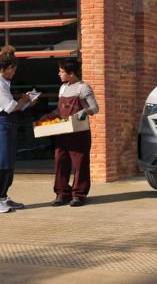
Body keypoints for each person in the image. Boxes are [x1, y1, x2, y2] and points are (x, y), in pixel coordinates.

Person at [40, 58, 98, 207]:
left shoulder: (84, 88)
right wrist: (50, 115)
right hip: (62, 132)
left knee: (80, 164)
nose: (59, 74)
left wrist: (85, 112)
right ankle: (62, 193)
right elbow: (60, 110)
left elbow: (95, 108)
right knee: (60, 162)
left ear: (71, 73)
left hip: (79, 133)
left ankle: (79, 194)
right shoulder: (63, 88)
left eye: (61, 71)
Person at [0, 45, 35, 213]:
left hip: (7, 122)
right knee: (2, 162)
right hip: (2, 123)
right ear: (9, 68)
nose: (15, 72)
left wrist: (25, 102)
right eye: (14, 69)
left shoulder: (3, 82)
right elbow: (10, 107)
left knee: (8, 161)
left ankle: (3, 197)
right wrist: (25, 100)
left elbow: (13, 107)